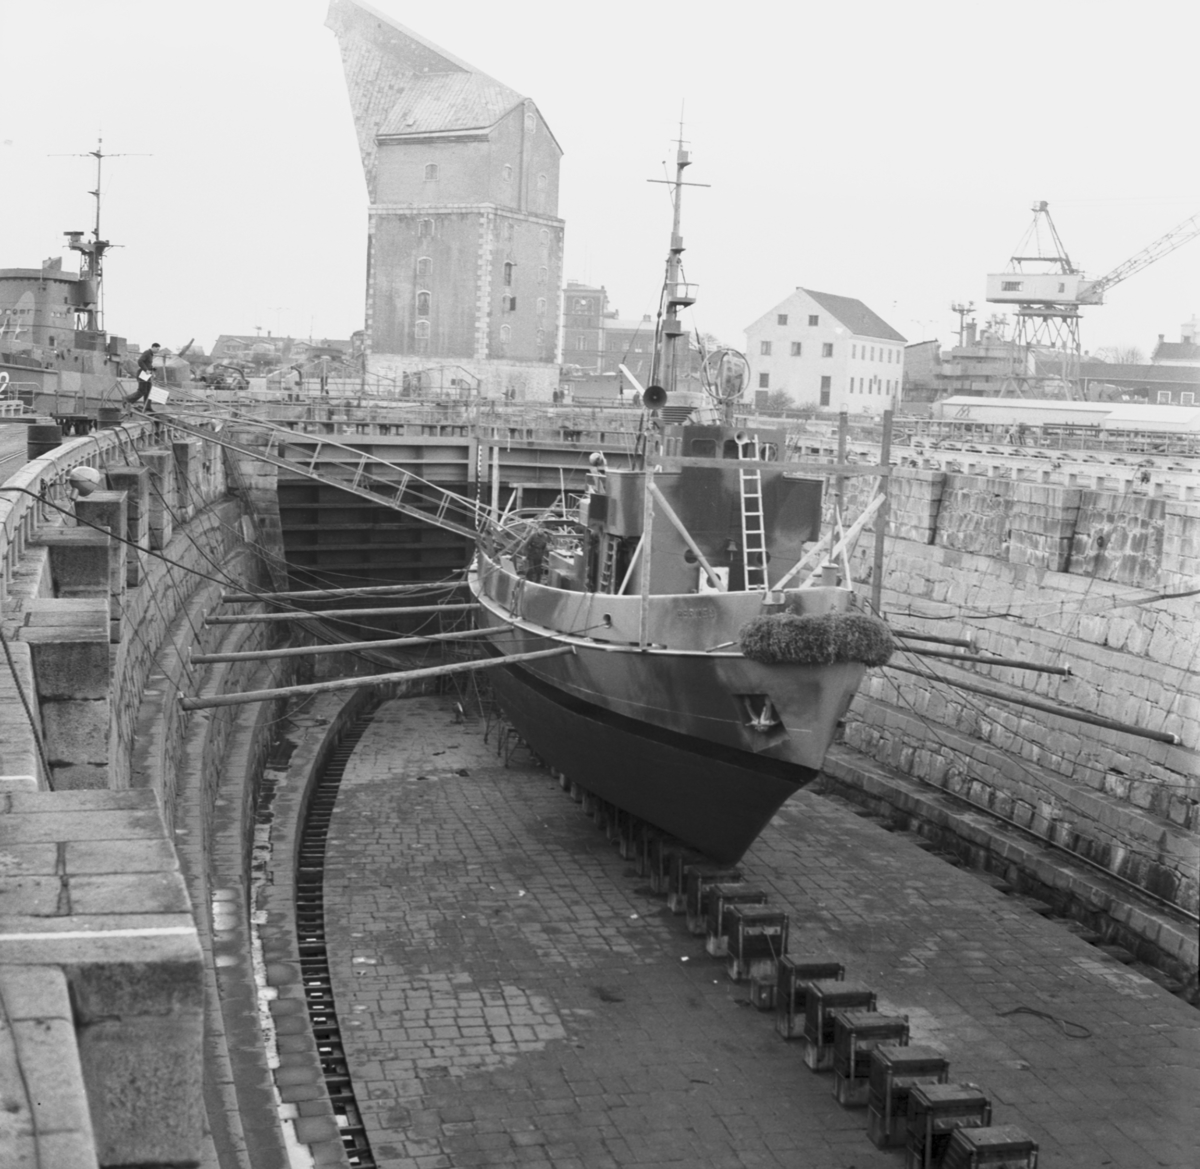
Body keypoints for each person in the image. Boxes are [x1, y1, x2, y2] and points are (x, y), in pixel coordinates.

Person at [127, 343, 161, 412]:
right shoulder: (147, 352)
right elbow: (140, 361)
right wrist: (146, 370)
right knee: (142, 391)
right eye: (157, 349)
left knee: (149, 391)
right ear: (153, 347)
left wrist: (152, 369)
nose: (158, 351)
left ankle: (147, 407)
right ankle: (128, 399)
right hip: (142, 375)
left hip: (146, 375)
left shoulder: (151, 354)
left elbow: (147, 364)